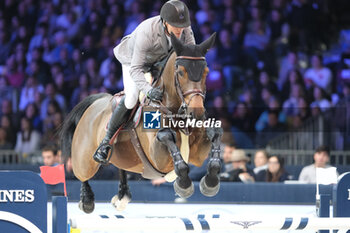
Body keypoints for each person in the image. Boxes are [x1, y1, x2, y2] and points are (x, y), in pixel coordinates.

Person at [93, 0, 195, 164]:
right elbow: (136, 68)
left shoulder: (184, 28)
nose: (179, 29)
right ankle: (106, 142)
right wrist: (148, 90)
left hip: (159, 61)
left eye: (182, 25)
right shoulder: (147, 32)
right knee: (132, 98)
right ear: (164, 22)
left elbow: (190, 55)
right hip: (133, 61)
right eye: (175, 25)